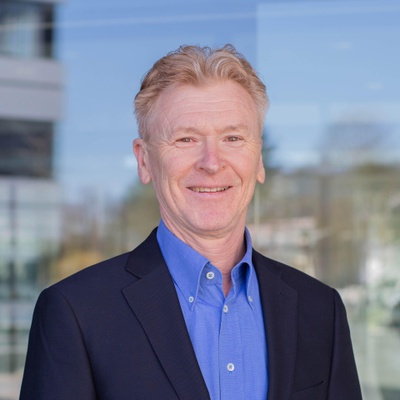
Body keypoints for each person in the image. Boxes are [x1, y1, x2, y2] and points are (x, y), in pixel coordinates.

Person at [20, 44, 362, 400]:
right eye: (186, 139)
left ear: (258, 159)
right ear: (144, 161)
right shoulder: (76, 312)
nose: (211, 162)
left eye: (233, 138)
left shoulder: (319, 309)